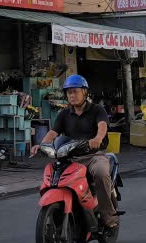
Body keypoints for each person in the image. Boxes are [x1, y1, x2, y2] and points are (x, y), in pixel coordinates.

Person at [32, 74, 117, 228]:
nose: (72, 95)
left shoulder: (97, 109)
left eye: (75, 91)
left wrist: (98, 138)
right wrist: (41, 145)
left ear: (84, 92)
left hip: (93, 156)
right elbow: (53, 132)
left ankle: (108, 215)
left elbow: (102, 126)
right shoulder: (64, 114)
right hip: (70, 158)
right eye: (69, 92)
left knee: (101, 173)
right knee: (54, 178)